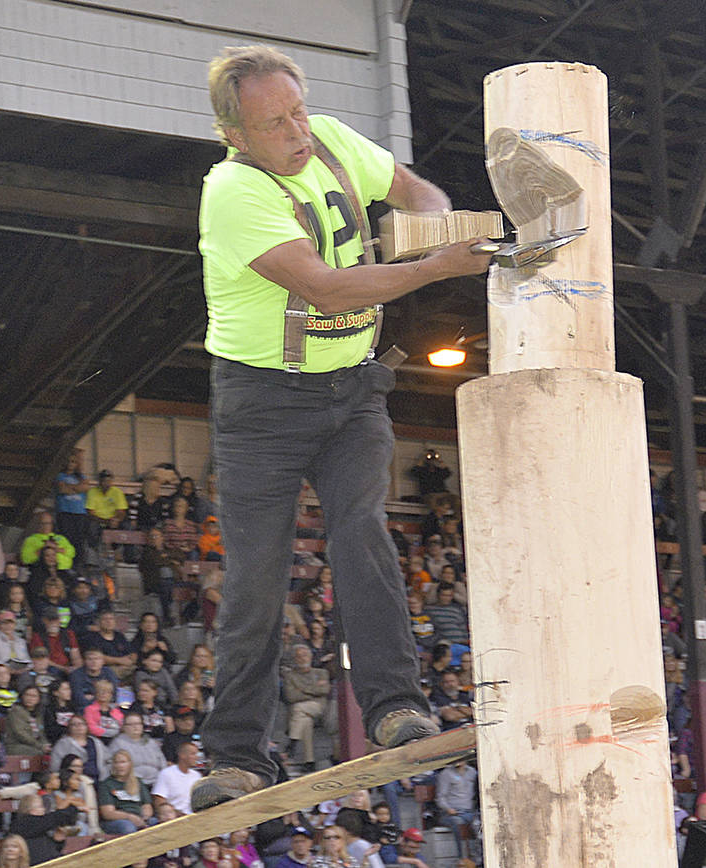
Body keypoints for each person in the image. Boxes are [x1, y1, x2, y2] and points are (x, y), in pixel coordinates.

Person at [190, 43, 491, 809]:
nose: (297, 131)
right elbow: (326, 290)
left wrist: (429, 224)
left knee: (361, 529)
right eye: (275, 123)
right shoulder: (231, 193)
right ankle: (236, 758)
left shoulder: (327, 138)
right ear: (236, 134)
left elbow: (414, 187)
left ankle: (396, 707)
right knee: (258, 578)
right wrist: (432, 268)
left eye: (298, 109)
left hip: (352, 390)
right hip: (262, 405)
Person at [282, 645, 331, 773]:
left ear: (310, 656)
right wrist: (314, 690)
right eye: (299, 656)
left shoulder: (321, 673)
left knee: (298, 709)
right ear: (294, 659)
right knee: (305, 721)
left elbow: (325, 690)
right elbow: (291, 696)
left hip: (319, 706)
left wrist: (302, 689)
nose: (302, 658)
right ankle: (309, 761)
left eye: (305, 655)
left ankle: (292, 742)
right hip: (303, 710)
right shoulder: (290, 676)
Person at [97, 749, 153, 834]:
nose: (120, 766)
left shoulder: (138, 782)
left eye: (123, 762)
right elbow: (108, 813)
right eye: (116, 762)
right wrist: (129, 817)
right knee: (128, 827)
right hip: (118, 821)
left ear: (130, 764)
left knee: (157, 823)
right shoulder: (107, 784)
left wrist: (145, 818)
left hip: (139, 817)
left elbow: (147, 806)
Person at [153, 740, 203, 815]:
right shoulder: (166, 774)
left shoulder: (197, 776)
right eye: (193, 754)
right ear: (182, 755)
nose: (197, 757)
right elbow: (159, 801)